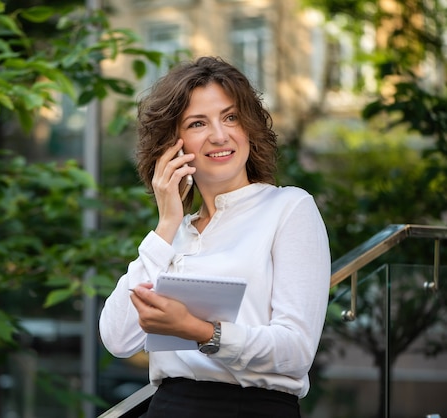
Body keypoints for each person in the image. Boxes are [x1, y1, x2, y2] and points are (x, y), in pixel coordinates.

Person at [98, 56, 331, 418]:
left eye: (231, 117)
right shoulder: (175, 233)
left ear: (249, 125)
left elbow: (296, 351)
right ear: (173, 145)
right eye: (198, 123)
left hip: (251, 409)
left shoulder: (288, 207)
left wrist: (197, 330)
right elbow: (117, 338)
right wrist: (167, 224)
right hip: (168, 407)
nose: (220, 135)